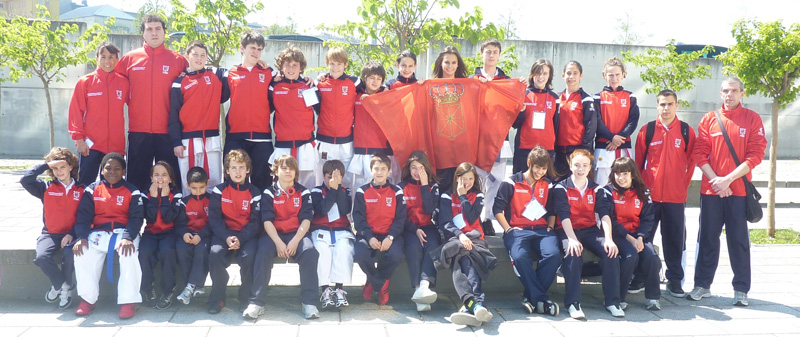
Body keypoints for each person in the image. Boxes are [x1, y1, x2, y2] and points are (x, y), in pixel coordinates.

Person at [689, 76, 767, 306]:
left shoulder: (752, 119)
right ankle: (702, 286)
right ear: (720, 93)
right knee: (707, 239)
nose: (729, 94)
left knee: (738, 240)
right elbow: (699, 154)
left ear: (742, 93)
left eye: (734, 90)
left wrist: (728, 180)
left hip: (739, 192)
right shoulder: (709, 119)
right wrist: (717, 181)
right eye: (725, 91)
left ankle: (741, 289)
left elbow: (756, 155)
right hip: (711, 191)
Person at [633, 89, 696, 297]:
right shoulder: (647, 130)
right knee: (644, 239)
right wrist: (644, 192)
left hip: (675, 198)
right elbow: (639, 165)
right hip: (650, 199)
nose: (666, 108)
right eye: (662, 104)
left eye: (670, 104)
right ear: (657, 106)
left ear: (677, 105)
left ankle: (675, 280)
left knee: (674, 240)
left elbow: (691, 164)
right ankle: (640, 277)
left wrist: (680, 188)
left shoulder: (687, 131)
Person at [115, 14, 188, 192]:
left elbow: (197, 79)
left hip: (168, 132)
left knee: (171, 180)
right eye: (149, 29)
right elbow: (115, 87)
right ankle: (137, 216)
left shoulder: (178, 60)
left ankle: (171, 216)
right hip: (138, 131)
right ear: (143, 33)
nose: (154, 33)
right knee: (137, 180)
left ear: (164, 32)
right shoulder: (129, 59)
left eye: (158, 29)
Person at [552, 149, 623, 319]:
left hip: (590, 229)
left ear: (590, 166)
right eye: (577, 165)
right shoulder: (561, 188)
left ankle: (613, 301)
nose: (580, 169)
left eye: (584, 165)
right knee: (574, 252)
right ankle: (573, 303)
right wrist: (572, 239)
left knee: (610, 252)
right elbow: (564, 215)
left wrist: (608, 239)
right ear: (570, 166)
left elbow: (604, 214)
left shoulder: (597, 189)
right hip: (567, 229)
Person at [72, 153, 143, 319]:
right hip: (98, 233)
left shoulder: (132, 191)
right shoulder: (92, 189)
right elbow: (83, 216)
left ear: (123, 171)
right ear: (102, 170)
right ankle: (88, 300)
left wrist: (127, 237)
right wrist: (81, 237)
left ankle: (128, 301)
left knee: (128, 253)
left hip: (124, 233)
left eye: (117, 169)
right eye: (108, 168)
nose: (112, 172)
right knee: (82, 252)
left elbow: (137, 218)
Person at [249, 155, 320, 320]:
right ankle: (256, 303)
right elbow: (266, 220)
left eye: (291, 168)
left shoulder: (303, 191)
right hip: (274, 235)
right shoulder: (268, 193)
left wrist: (295, 240)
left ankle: (309, 303)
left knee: (310, 252)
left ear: (296, 172)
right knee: (262, 252)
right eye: (284, 168)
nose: (288, 171)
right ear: (276, 171)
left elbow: (306, 220)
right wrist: (279, 243)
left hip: (297, 234)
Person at [493, 146, 560, 316]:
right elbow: (497, 209)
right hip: (517, 230)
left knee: (553, 255)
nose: (540, 172)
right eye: (537, 167)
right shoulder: (511, 182)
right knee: (520, 257)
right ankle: (541, 299)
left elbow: (552, 210)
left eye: (544, 168)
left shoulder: (549, 184)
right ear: (529, 163)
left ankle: (531, 298)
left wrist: (550, 227)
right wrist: (508, 229)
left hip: (542, 230)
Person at [20, 147, 83, 309]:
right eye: (55, 168)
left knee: (70, 254)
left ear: (71, 167)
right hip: (50, 234)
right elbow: (25, 180)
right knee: (41, 257)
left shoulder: (82, 189)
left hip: (72, 234)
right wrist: (46, 164)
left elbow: (85, 217)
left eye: (63, 166)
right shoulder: (45, 187)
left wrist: (71, 234)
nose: (59, 171)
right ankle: (62, 286)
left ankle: (64, 287)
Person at [436, 162, 496, 327]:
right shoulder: (447, 196)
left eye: (470, 179)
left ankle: (471, 304)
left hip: (476, 238)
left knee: (461, 261)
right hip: (456, 239)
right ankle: (478, 304)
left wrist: (463, 197)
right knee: (465, 258)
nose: (467, 182)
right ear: (457, 178)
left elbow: (471, 218)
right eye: (463, 179)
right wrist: (460, 235)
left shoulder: (478, 196)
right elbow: (445, 223)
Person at [599, 157, 661, 310]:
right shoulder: (607, 191)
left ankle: (653, 298)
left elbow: (648, 219)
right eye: (617, 174)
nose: (621, 178)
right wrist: (630, 239)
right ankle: (619, 297)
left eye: (625, 173)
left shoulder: (643, 192)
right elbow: (610, 220)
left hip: (638, 235)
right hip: (618, 235)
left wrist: (639, 237)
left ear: (633, 174)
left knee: (652, 257)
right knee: (630, 256)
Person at [169, 40, 230, 195]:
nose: (199, 58)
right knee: (188, 182)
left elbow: (235, 73)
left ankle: (212, 216)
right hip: (187, 141)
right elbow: (174, 114)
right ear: (187, 56)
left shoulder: (215, 74)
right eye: (195, 54)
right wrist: (176, 142)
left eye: (203, 55)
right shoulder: (179, 82)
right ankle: (187, 216)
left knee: (214, 181)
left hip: (212, 138)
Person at [207, 150, 261, 314]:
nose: (238, 172)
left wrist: (241, 238)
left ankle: (245, 298)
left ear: (248, 170)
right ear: (227, 171)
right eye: (234, 168)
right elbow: (214, 219)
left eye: (241, 167)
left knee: (249, 256)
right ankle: (218, 297)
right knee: (215, 253)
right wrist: (226, 237)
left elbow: (255, 223)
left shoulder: (255, 192)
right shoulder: (218, 191)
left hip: (246, 235)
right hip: (224, 234)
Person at [68, 42, 129, 186]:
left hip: (115, 146)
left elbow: (137, 106)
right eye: (103, 57)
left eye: (111, 57)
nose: (107, 61)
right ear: (96, 58)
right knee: (84, 184)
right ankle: (84, 209)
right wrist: (79, 140)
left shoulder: (124, 82)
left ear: (117, 59)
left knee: (112, 186)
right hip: (91, 146)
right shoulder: (85, 82)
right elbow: (76, 111)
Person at [223, 31, 277, 192]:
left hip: (262, 137)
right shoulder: (230, 73)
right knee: (235, 182)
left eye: (259, 49)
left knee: (263, 182)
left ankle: (262, 216)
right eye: (252, 47)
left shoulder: (269, 73)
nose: (256, 52)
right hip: (236, 136)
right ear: (242, 48)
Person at [353, 155, 407, 306]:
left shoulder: (397, 192)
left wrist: (390, 237)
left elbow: (400, 219)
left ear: (389, 171)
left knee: (396, 255)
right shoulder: (362, 192)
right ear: (371, 170)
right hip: (368, 235)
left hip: (391, 235)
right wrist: (369, 237)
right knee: (360, 254)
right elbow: (358, 219)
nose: (379, 172)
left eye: (383, 169)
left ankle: (373, 281)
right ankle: (380, 283)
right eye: (376, 169)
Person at [471, 39, 513, 231]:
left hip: (499, 139)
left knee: (496, 181)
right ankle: (474, 217)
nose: (491, 55)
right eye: (488, 52)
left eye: (495, 52)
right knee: (477, 180)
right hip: (477, 139)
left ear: (499, 55)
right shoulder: (472, 80)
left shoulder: (507, 81)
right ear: (481, 54)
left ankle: (488, 218)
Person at [269, 45, 320, 190]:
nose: (291, 69)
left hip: (305, 145)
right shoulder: (274, 88)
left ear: (301, 67)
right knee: (282, 185)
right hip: (283, 145)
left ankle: (307, 212)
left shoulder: (308, 87)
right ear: (281, 67)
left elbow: (321, 112)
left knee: (307, 186)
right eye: (287, 65)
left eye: (295, 65)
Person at [398, 150, 441, 312]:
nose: (417, 172)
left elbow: (430, 209)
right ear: (409, 169)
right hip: (409, 227)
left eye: (421, 168)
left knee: (433, 245)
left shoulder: (432, 186)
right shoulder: (401, 187)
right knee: (413, 248)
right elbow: (400, 216)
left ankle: (424, 286)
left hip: (428, 226)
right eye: (414, 168)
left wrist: (424, 185)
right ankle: (418, 291)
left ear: (427, 168)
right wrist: (414, 230)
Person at [349, 61, 401, 188]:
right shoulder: (356, 94)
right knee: (360, 188)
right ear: (364, 78)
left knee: (383, 187)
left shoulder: (387, 95)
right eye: (372, 78)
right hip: (361, 149)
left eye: (379, 78)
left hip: (382, 149)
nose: (375, 81)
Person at [310, 160, 354, 310]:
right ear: (323, 176)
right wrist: (332, 191)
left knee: (343, 250)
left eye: (337, 177)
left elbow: (345, 209)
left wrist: (338, 188)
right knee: (322, 251)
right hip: (321, 229)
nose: (333, 180)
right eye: (330, 177)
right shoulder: (316, 191)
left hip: (341, 230)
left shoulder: (346, 191)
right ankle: (325, 290)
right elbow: (322, 210)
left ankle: (339, 289)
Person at [139, 161, 181, 310]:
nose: (160, 178)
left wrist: (163, 198)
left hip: (168, 233)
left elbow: (169, 218)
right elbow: (149, 218)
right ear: (151, 178)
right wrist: (155, 197)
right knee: (144, 252)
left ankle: (169, 290)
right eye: (156, 174)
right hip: (150, 232)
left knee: (167, 252)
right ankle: (147, 287)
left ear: (170, 179)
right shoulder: (145, 194)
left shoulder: (176, 195)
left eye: (164, 175)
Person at [316, 47, 359, 190]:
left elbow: (375, 88)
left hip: (346, 140)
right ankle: (323, 211)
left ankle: (344, 212)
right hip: (324, 139)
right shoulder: (320, 83)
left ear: (345, 64)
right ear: (327, 64)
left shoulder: (355, 82)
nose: (335, 67)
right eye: (332, 64)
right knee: (323, 176)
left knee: (345, 178)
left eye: (339, 64)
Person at [593, 57, 639, 186]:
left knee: (624, 185)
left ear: (623, 74)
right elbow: (597, 121)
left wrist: (619, 139)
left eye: (617, 74)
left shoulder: (630, 97)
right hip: (604, 148)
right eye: (610, 75)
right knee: (602, 185)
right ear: (604, 75)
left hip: (624, 147)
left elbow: (633, 120)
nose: (614, 78)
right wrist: (611, 137)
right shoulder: (597, 97)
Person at [430, 46, 469, 193]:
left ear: (458, 64)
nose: (450, 66)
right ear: (441, 63)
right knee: (442, 183)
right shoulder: (430, 86)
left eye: (453, 62)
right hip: (440, 144)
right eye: (447, 62)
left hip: (461, 142)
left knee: (460, 183)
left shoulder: (467, 85)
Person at [513, 59, 559, 173]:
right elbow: (515, 124)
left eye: (545, 73)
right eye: (538, 73)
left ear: (549, 76)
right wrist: (521, 112)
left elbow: (557, 126)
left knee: (544, 187)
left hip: (547, 149)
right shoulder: (523, 94)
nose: (540, 77)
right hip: (524, 149)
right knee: (521, 185)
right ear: (532, 74)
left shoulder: (555, 98)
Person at [175, 167, 211, 305]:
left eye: (201, 187)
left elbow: (214, 223)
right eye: (194, 188)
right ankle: (194, 285)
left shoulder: (212, 200)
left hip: (205, 235)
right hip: (188, 235)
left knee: (202, 250)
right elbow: (179, 223)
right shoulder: (184, 202)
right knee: (182, 250)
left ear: (207, 184)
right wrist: (184, 233)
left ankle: (190, 287)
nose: (198, 191)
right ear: (188, 185)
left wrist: (201, 235)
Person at [555, 61, 596, 177]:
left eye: (575, 73)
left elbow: (591, 126)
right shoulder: (557, 98)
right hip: (559, 152)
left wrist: (584, 151)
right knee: (559, 187)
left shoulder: (586, 99)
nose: (571, 77)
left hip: (578, 151)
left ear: (581, 76)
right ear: (563, 76)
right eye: (568, 73)